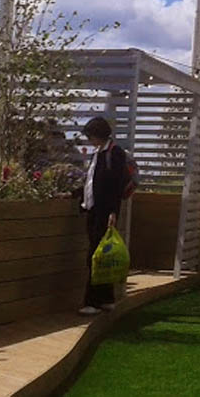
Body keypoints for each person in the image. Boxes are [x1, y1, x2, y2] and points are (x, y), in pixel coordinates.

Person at [77, 116, 128, 316]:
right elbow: (90, 183)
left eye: (91, 136)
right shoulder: (98, 153)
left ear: (98, 134)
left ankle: (92, 301)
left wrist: (113, 211)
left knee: (95, 256)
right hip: (93, 209)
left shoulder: (114, 153)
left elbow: (116, 185)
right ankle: (107, 298)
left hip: (104, 212)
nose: (90, 140)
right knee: (102, 255)